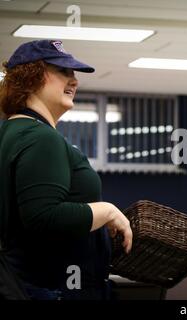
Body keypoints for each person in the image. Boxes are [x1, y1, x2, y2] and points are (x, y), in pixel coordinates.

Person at [0, 39, 133, 300]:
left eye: (73, 74)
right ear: (32, 77)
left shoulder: (9, 131)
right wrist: (105, 211)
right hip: (50, 288)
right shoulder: (41, 137)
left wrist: (88, 219)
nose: (74, 81)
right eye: (63, 72)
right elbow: (43, 217)